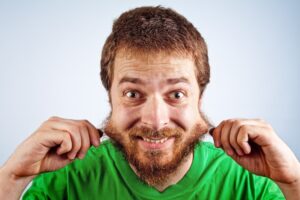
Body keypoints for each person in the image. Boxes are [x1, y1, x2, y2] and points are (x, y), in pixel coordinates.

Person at [0, 6, 299, 200]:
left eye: (176, 95)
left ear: (200, 96)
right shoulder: (67, 181)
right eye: (133, 94)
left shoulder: (251, 183)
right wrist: (11, 176)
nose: (155, 121)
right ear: (110, 97)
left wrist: (293, 181)